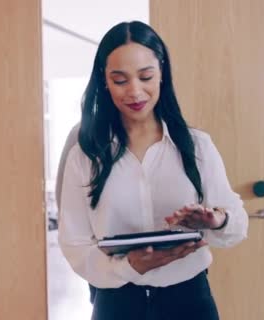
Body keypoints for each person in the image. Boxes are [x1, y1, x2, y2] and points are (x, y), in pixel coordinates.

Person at [57, 20, 248, 320]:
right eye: (120, 80)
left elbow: (237, 226)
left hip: (189, 301)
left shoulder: (197, 146)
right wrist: (130, 266)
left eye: (145, 76)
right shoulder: (86, 154)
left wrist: (217, 219)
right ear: (104, 81)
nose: (135, 91)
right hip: (116, 304)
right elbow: (74, 245)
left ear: (162, 74)